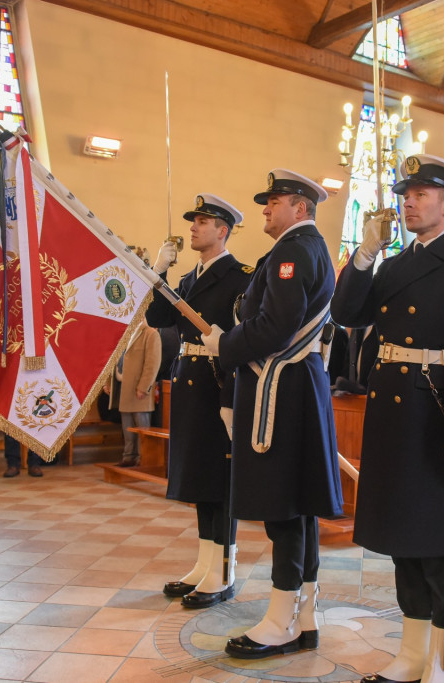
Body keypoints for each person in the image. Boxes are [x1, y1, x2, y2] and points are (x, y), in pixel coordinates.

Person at [332, 154, 444, 683]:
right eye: (406, 193)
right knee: (402, 540)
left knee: (437, 545)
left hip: (438, 414)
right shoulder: (395, 262)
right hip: (392, 415)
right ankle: (409, 654)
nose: (408, 201)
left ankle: (441, 662)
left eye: (422, 194)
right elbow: (347, 314)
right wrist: (365, 252)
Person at [201, 169, 342, 660]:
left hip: (281, 390)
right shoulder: (307, 248)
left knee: (284, 511)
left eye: (275, 200)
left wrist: (226, 344)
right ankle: (302, 616)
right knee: (297, 509)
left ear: (300, 208)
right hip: (298, 387)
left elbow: (277, 325)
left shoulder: (292, 250)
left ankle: (280, 622)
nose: (265, 208)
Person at [146, 193, 252, 608]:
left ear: (222, 231)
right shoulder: (189, 278)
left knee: (219, 482)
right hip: (189, 381)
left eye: (202, 222)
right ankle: (205, 562)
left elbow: (241, 342)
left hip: (216, 383)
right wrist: (158, 273)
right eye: (193, 221)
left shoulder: (240, 276)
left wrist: (231, 396)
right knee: (198, 480)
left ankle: (223, 570)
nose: (193, 227)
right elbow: (159, 319)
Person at [108, 320, 161, 467]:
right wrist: (108, 383)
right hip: (123, 387)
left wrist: (144, 387)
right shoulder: (122, 332)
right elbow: (113, 360)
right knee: (127, 426)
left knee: (141, 426)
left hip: (139, 388)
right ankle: (128, 456)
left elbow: (153, 364)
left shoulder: (150, 334)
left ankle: (143, 458)